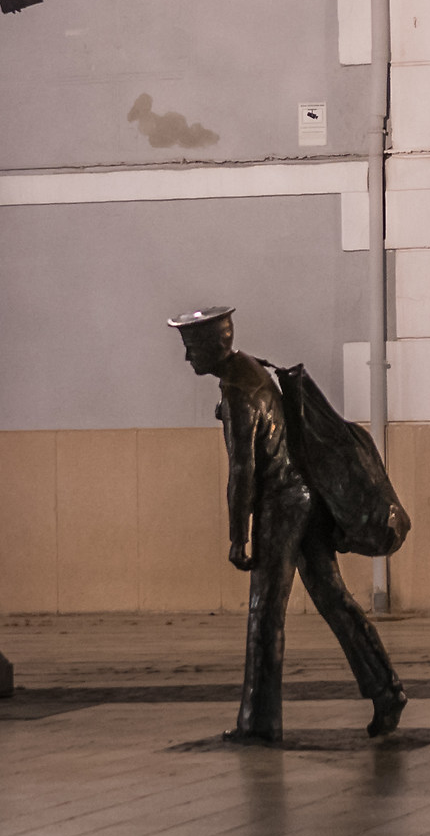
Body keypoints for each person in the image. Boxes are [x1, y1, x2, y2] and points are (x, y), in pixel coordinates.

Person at [167, 305, 405, 743]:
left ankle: (259, 722)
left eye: (190, 348)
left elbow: (243, 471)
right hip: (307, 499)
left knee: (264, 612)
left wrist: (239, 535)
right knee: (334, 600)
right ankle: (386, 689)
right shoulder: (255, 370)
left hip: (282, 505)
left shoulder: (239, 391)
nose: (187, 359)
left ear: (213, 345)